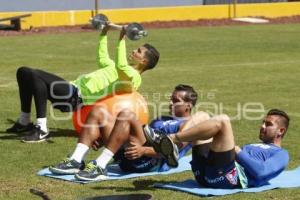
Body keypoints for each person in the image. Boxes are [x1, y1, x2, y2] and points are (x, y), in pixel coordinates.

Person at [6, 25, 160, 143]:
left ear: (144, 61)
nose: (134, 51)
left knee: (35, 75)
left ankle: (41, 129)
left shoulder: (133, 77)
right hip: (71, 88)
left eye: (138, 51)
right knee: (24, 72)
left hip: (76, 98)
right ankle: (24, 122)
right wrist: (104, 33)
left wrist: (121, 39)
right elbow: (102, 58)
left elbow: (121, 66)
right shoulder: (117, 67)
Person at [49, 84, 212, 181]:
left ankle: (99, 167)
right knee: (98, 110)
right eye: (170, 98)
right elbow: (138, 133)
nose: (170, 102)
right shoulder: (162, 118)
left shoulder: (189, 126)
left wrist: (143, 150)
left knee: (127, 115)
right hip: (129, 155)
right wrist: (99, 135)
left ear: (188, 106)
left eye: (175, 101)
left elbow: (172, 152)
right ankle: (76, 160)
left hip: (148, 161)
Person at [144, 109, 290, 189]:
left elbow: (261, 172)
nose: (262, 126)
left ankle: (171, 140)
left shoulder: (281, 154)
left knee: (223, 120)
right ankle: (174, 146)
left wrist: (238, 151)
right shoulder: (255, 145)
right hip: (205, 174)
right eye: (263, 122)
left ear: (281, 131)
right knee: (202, 115)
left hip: (226, 178)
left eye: (268, 124)